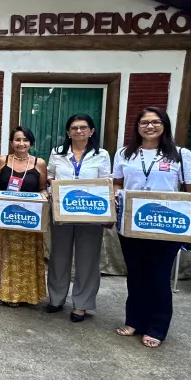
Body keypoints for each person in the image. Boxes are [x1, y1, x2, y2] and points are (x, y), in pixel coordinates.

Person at [113, 107, 191, 348]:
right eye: (144, 122)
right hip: (132, 224)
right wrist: (119, 196)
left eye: (155, 122)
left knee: (159, 276)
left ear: (164, 125)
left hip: (167, 225)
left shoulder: (181, 154)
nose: (150, 126)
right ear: (137, 126)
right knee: (136, 274)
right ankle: (134, 320)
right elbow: (117, 184)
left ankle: (157, 327)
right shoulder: (124, 153)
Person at [46, 114, 112, 322]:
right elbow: (50, 177)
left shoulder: (101, 155)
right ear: (68, 132)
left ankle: (81, 304)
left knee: (87, 259)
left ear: (91, 131)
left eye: (83, 127)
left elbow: (106, 181)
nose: (78, 131)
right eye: (74, 128)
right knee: (58, 256)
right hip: (62, 211)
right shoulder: (57, 153)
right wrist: (52, 190)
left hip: (90, 212)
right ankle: (56, 299)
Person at [0, 126, 48, 307]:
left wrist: (45, 195)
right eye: (17, 139)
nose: (21, 143)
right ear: (11, 142)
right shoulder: (2, 161)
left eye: (25, 140)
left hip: (29, 220)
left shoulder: (39, 164)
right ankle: (2, 292)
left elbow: (43, 187)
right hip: (6, 217)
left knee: (25, 257)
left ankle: (23, 294)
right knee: (4, 254)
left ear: (30, 143)